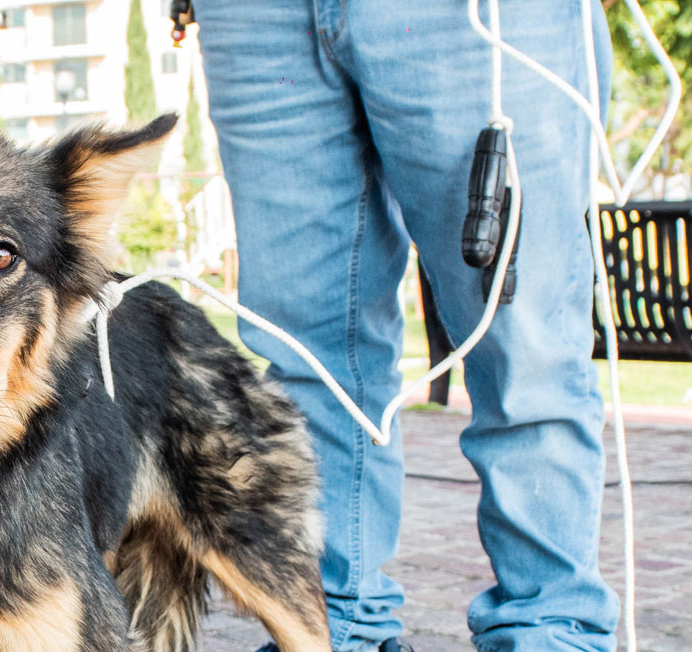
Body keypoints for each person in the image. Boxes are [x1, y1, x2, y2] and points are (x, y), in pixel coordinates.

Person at [192, 1, 620, 650]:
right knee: (304, 367)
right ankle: (331, 629)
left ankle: (549, 632)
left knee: (524, 348)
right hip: (257, 18)